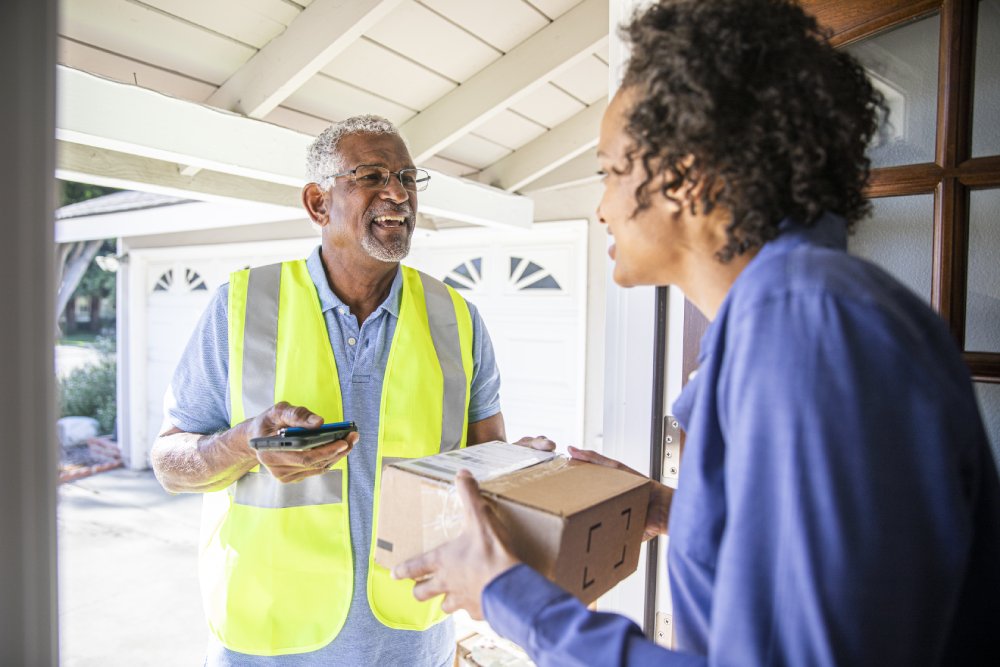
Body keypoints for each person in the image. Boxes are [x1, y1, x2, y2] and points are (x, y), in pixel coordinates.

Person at [392, 1, 1000, 665]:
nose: (601, 207)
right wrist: (676, 509)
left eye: (609, 171)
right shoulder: (784, 320)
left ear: (681, 176)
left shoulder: (806, 330)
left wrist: (509, 595)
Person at [151, 114, 552, 666]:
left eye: (409, 178)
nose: (399, 193)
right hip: (268, 641)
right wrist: (245, 443)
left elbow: (483, 470)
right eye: (371, 175)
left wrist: (518, 469)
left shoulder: (457, 318)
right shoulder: (242, 306)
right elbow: (170, 464)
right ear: (318, 203)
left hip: (412, 637)